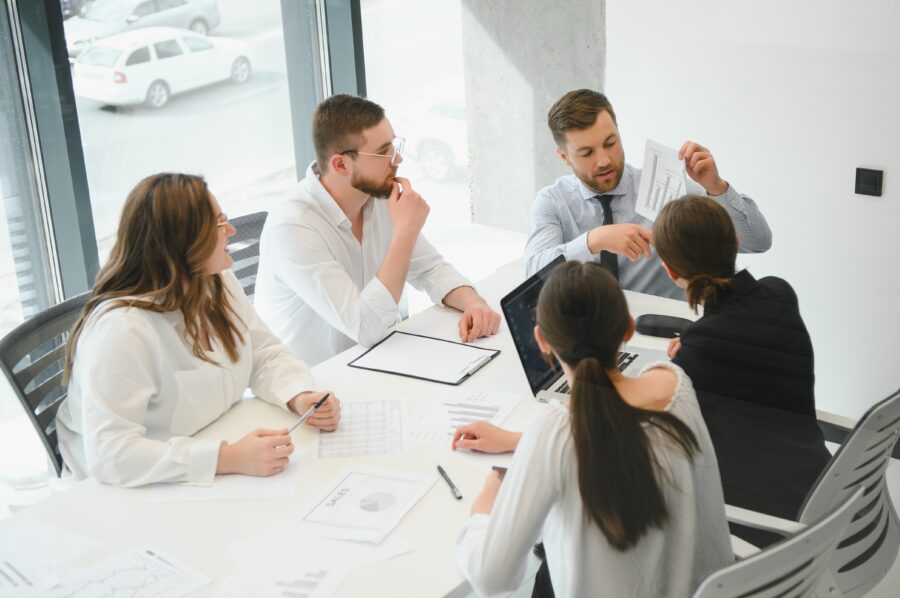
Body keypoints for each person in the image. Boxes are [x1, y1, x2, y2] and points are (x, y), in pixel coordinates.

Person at [451, 261, 732, 598]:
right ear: (627, 328)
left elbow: (492, 578)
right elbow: (609, 420)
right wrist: (521, 441)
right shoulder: (673, 380)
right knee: (551, 564)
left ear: (541, 339)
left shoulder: (556, 431)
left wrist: (483, 507)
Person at [57, 173, 340, 487]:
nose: (231, 231)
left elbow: (262, 352)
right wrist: (228, 458)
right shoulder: (122, 331)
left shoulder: (214, 281)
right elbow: (112, 454)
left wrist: (299, 395)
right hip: (128, 490)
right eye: (219, 224)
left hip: (203, 450)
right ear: (183, 245)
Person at [254, 94, 501, 366]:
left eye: (395, 145)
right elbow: (367, 328)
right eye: (384, 152)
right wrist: (406, 230)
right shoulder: (293, 228)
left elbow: (430, 269)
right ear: (341, 164)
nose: (397, 159)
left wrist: (473, 303)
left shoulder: (377, 195)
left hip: (377, 360)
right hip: (314, 384)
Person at [653, 195, 831, 546]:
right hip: (819, 484)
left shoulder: (702, 349)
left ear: (670, 271)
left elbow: (663, 432)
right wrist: (693, 347)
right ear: (735, 242)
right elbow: (743, 352)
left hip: (767, 518)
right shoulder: (780, 293)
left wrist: (685, 358)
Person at [524, 88, 772, 300]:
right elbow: (532, 279)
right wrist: (593, 240)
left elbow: (758, 242)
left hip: (667, 336)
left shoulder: (664, 184)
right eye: (587, 153)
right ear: (564, 156)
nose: (603, 160)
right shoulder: (553, 202)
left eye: (610, 143)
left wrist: (716, 187)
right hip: (592, 336)